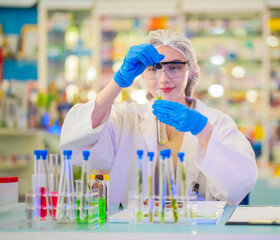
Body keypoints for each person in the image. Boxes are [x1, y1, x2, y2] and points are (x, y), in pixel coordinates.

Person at [60, 29, 257, 205]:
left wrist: (203, 130)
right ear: (141, 73)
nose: (163, 79)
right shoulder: (126, 118)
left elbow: (242, 182)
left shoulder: (215, 122)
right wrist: (117, 82)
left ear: (191, 69)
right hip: (134, 232)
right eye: (154, 68)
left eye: (174, 67)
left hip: (195, 232)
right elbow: (73, 145)